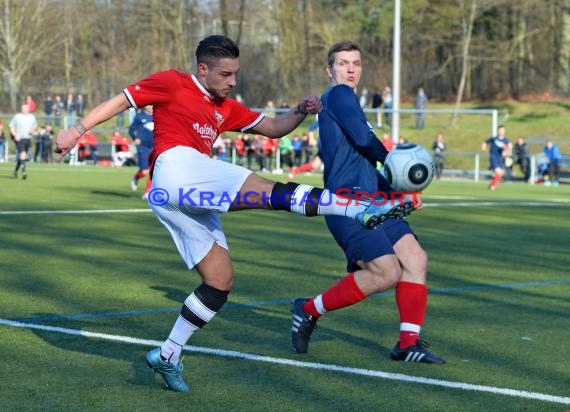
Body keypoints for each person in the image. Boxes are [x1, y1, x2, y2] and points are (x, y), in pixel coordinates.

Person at [55, 35, 414, 393]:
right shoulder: (172, 82)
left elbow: (273, 128)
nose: (232, 81)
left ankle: (168, 353)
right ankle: (356, 207)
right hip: (176, 169)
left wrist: (301, 110)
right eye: (226, 74)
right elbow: (121, 100)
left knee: (219, 281)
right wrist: (78, 130)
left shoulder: (226, 107)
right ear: (202, 69)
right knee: (266, 189)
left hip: (177, 196)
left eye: (236, 73)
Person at [290, 40, 443, 365]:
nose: (350, 69)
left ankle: (407, 344)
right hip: (349, 203)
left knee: (415, 259)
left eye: (356, 63)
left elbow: (363, 160)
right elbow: (364, 142)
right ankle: (307, 309)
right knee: (385, 272)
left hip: (373, 199)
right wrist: (398, 165)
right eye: (343, 63)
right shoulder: (339, 95)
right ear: (329, 70)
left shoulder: (349, 103)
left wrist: (397, 193)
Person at [129, 105, 154, 199]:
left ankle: (147, 192)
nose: (151, 107)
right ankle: (136, 177)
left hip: (155, 146)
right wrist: (135, 138)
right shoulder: (139, 117)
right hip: (143, 147)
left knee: (153, 170)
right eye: (149, 105)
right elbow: (131, 130)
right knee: (144, 171)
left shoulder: (157, 116)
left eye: (152, 105)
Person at [9, 103, 37, 179]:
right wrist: (15, 135)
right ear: (21, 109)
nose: (24, 109)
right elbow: (11, 126)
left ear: (28, 109)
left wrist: (32, 130)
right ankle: (24, 172)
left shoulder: (31, 117)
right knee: (23, 154)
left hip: (27, 139)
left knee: (23, 157)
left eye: (26, 108)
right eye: (23, 108)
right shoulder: (17, 117)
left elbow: (34, 126)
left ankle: (14, 171)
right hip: (19, 139)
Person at [481, 125, 511, 191]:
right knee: (498, 172)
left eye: (503, 130)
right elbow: (485, 142)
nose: (501, 131)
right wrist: (483, 147)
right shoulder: (494, 138)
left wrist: (507, 152)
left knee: (502, 173)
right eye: (500, 130)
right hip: (493, 157)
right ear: (498, 131)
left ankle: (491, 185)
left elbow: (508, 148)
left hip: (500, 158)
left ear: (505, 131)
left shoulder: (506, 140)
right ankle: (492, 186)